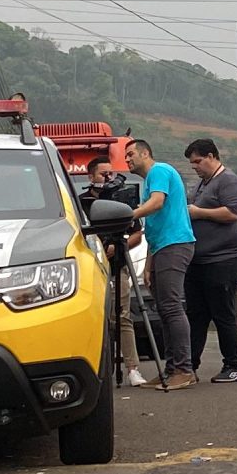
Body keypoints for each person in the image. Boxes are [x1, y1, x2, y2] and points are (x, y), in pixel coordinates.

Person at [126, 138, 197, 389]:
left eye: (131, 153)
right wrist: (148, 266)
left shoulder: (159, 171)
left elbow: (158, 203)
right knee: (165, 309)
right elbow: (152, 229)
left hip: (174, 245)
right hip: (161, 248)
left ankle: (184, 369)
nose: (128, 159)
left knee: (171, 307)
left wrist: (130, 214)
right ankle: (172, 369)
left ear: (146, 153)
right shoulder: (148, 184)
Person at [181, 139, 237, 382]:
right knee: (196, 315)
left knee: (223, 314)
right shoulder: (201, 184)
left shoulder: (228, 180)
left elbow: (232, 213)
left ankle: (232, 365)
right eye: (192, 163)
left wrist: (199, 212)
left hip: (223, 259)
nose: (195, 167)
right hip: (199, 260)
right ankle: (189, 365)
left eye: (198, 161)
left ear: (211, 156)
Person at [84, 155, 150, 387]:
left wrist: (117, 247)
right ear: (90, 176)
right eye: (104, 174)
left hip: (117, 265)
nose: (109, 178)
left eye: (111, 173)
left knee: (122, 316)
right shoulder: (80, 202)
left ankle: (132, 368)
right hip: (88, 269)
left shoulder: (121, 202)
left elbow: (136, 233)